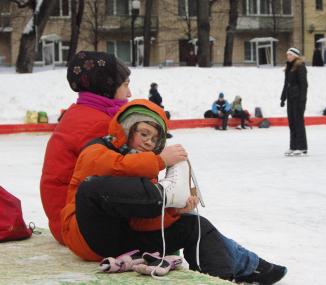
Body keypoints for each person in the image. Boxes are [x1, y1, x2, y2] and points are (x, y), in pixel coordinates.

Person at [60, 99, 287, 284]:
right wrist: (159, 162)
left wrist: (174, 211)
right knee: (92, 188)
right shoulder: (98, 148)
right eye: (144, 133)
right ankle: (166, 196)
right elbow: (110, 167)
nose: (149, 142)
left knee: (195, 224)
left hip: (126, 244)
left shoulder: (145, 168)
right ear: (128, 128)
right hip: (88, 238)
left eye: (155, 139)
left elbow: (142, 222)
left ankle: (219, 279)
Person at [40, 51, 131, 244]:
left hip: (65, 218)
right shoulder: (96, 124)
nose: (129, 93)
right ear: (105, 87)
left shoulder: (82, 113)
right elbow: (117, 172)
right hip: (79, 225)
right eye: (125, 85)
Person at [280, 47, 308, 156]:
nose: (288, 56)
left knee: (298, 122)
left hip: (298, 99)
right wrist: (283, 98)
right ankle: (293, 146)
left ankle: (302, 147)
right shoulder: (289, 67)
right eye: (287, 55)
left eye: (290, 55)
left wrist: (302, 100)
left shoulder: (300, 67)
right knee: (292, 122)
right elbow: (286, 84)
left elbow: (304, 85)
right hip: (290, 98)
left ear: (295, 56)